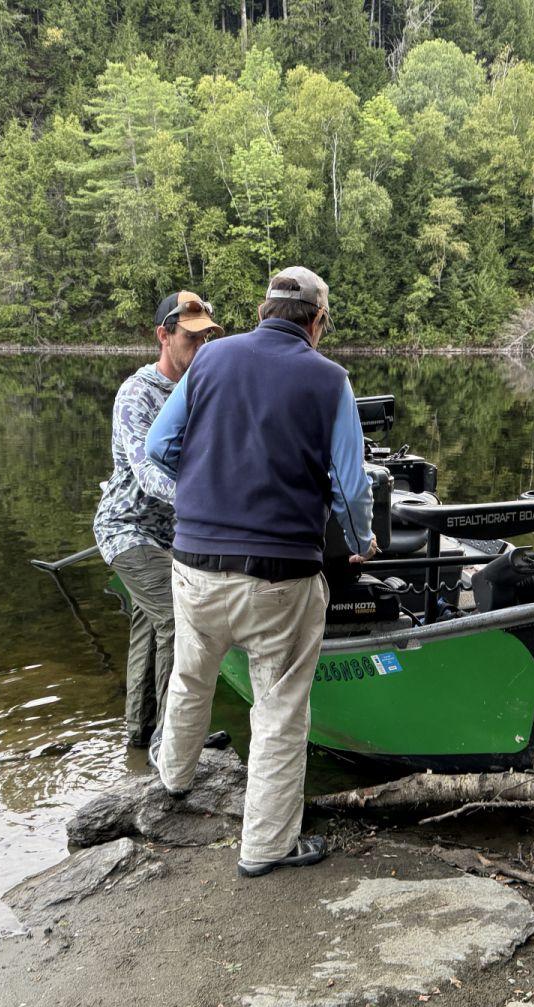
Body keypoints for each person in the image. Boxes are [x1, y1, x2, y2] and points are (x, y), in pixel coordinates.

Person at [145, 267, 379, 878]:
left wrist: (207, 491)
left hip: (194, 562)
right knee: (278, 707)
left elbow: (159, 448)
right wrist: (361, 542)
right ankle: (267, 846)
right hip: (282, 575)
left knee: (192, 673)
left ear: (261, 309)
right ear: (317, 322)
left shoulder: (211, 359)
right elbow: (352, 488)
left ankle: (173, 777)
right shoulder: (330, 380)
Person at [92, 290, 226, 751]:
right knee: (176, 619)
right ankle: (173, 742)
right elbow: (148, 472)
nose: (200, 347)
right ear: (163, 336)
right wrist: (204, 506)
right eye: (190, 338)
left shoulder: (203, 389)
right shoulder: (137, 394)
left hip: (170, 535)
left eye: (206, 338)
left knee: (148, 628)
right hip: (126, 530)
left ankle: (138, 734)